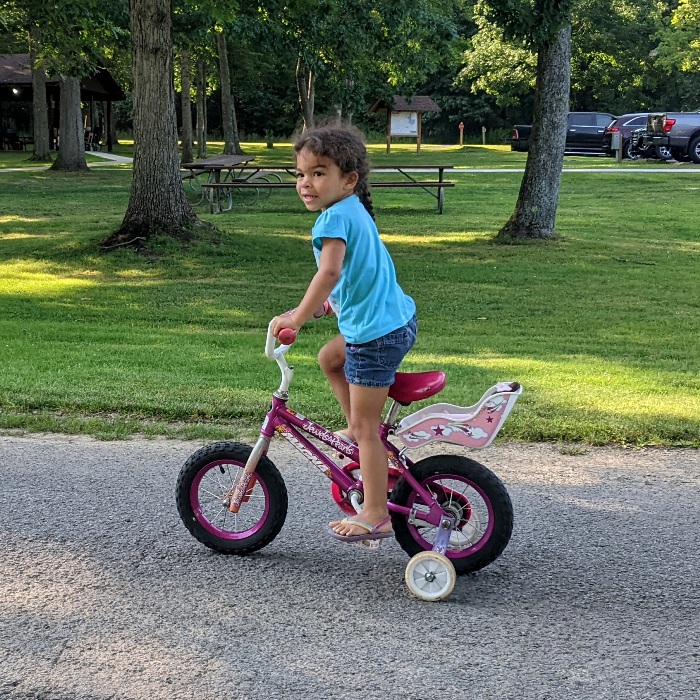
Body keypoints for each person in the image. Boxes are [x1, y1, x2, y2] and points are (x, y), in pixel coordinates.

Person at [271, 125, 417, 543]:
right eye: (300, 174)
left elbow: (330, 271)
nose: (305, 183)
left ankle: (375, 512)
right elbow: (352, 278)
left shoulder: (333, 219)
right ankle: (353, 427)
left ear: (348, 179)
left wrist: (298, 318)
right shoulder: (353, 210)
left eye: (318, 173)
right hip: (393, 323)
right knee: (329, 358)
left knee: (370, 432)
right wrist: (318, 308)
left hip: (375, 337)